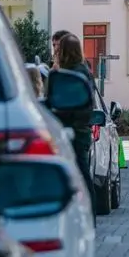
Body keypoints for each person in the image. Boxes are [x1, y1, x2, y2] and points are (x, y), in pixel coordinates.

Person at [52, 35, 95, 192]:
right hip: (80, 129)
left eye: (58, 48)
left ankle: (88, 208)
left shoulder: (71, 74)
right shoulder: (83, 71)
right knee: (81, 172)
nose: (56, 51)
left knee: (80, 172)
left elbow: (62, 101)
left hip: (73, 130)